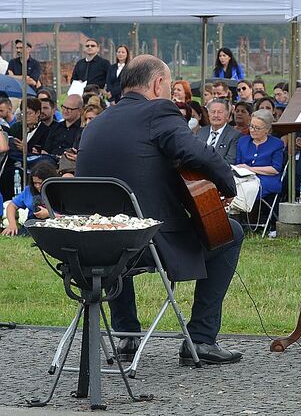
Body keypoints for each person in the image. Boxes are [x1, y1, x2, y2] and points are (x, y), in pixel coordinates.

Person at [76, 55, 243, 365]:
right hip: (147, 245)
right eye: (168, 84)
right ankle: (201, 339)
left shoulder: (96, 122)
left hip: (92, 248)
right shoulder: (158, 110)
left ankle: (126, 334)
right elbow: (197, 152)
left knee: (120, 222)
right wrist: (228, 185)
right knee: (229, 232)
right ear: (157, 84)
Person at [234, 110, 286, 207]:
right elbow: (238, 163)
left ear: (267, 129)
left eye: (257, 128)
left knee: (248, 188)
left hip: (267, 179)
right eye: (251, 126)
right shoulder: (243, 141)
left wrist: (250, 169)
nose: (252, 130)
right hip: (244, 178)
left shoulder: (276, 144)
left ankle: (240, 210)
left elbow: (275, 169)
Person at [2, 162, 59, 236]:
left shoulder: (60, 192)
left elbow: (70, 217)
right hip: (32, 225)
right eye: (35, 183)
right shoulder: (28, 190)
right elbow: (12, 205)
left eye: (40, 183)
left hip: (55, 226)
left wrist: (49, 214)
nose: (37, 186)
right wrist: (12, 224)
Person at [196, 98, 241, 164]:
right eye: (213, 112)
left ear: (227, 115)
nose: (216, 115)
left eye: (220, 112)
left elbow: (230, 161)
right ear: (208, 114)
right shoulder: (201, 132)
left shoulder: (235, 135)